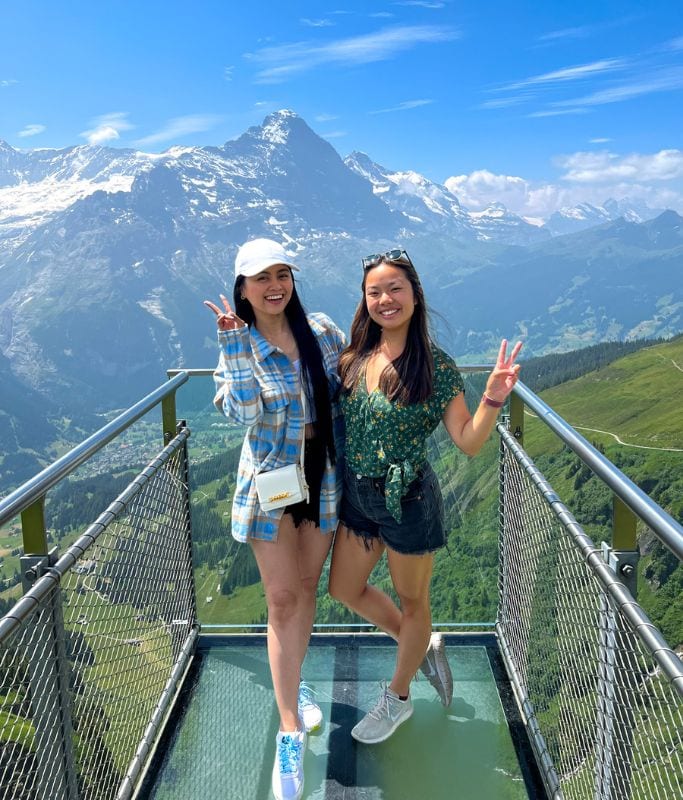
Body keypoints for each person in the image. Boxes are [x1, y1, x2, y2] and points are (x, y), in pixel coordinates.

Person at [328, 248, 521, 744]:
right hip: (358, 496)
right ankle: (420, 645)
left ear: (415, 294)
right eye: (375, 291)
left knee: (414, 602)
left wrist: (494, 395)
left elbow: (469, 441)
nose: (385, 299)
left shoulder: (434, 366)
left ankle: (399, 698)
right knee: (344, 590)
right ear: (364, 299)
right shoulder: (355, 357)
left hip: (408, 500)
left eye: (395, 288)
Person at [205, 238, 345, 800]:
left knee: (308, 590)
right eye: (261, 277)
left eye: (281, 273)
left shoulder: (322, 331)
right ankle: (289, 727)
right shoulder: (240, 342)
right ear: (243, 287)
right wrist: (235, 346)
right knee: (283, 599)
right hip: (270, 480)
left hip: (324, 473)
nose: (273, 285)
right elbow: (241, 412)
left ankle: (295, 683)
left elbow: (353, 380)